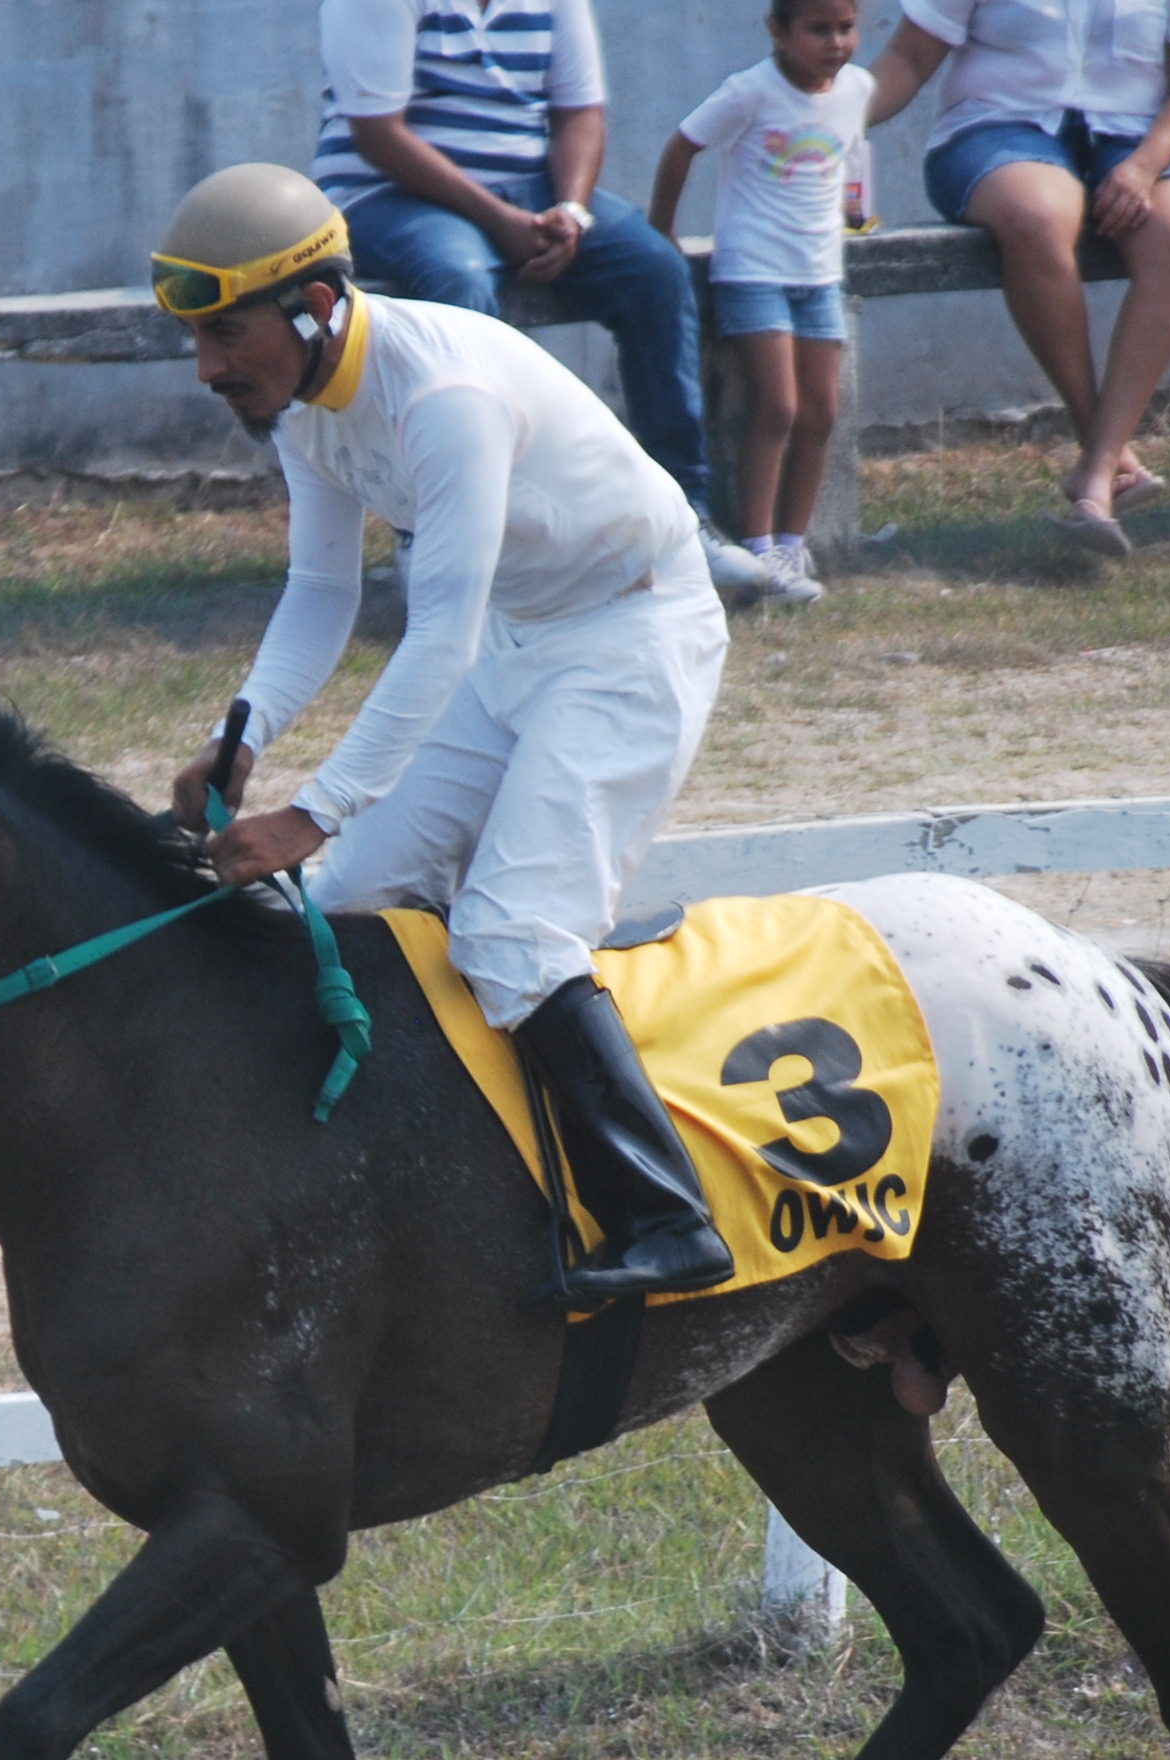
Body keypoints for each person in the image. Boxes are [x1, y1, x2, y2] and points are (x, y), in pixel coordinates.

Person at [149, 165, 735, 1304]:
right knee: (352, 903)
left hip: (630, 638)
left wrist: (311, 813)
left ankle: (670, 1217)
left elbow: (435, 636)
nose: (209, 367)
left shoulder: (441, 398)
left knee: (511, 936)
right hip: (520, 639)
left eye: (225, 334)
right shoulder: (307, 403)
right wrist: (241, 737)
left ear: (316, 304)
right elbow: (321, 590)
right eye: (196, 340)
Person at [308, 0, 722, 571]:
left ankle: (680, 520)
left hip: (528, 190)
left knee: (655, 272)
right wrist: (498, 221)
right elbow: (379, 135)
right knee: (459, 281)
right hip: (387, 194)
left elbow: (580, 113)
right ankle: (442, 534)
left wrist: (571, 214)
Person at [864, 0, 1170, 556]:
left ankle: (1098, 469)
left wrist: (1144, 166)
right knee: (1038, 217)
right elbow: (911, 58)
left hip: (1142, 133)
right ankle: (1102, 452)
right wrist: (827, 117)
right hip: (999, 124)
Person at [651, 0, 878, 609]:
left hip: (820, 275)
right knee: (776, 407)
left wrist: (858, 214)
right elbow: (681, 148)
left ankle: (791, 545)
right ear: (778, 31)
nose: (834, 43)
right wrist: (660, 237)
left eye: (846, 28)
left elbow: (851, 154)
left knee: (820, 413)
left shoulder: (858, 88)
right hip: (754, 273)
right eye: (817, 29)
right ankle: (756, 550)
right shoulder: (749, 93)